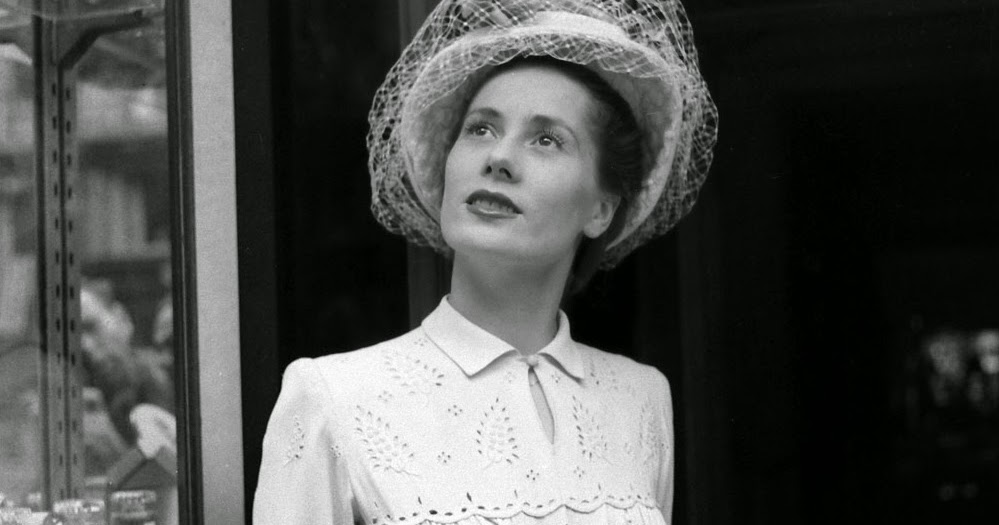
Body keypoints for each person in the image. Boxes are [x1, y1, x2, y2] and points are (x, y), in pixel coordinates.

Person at [254, 1, 716, 524]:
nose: (498, 158)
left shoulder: (642, 398)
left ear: (600, 208)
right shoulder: (333, 398)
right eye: (480, 129)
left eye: (546, 139)